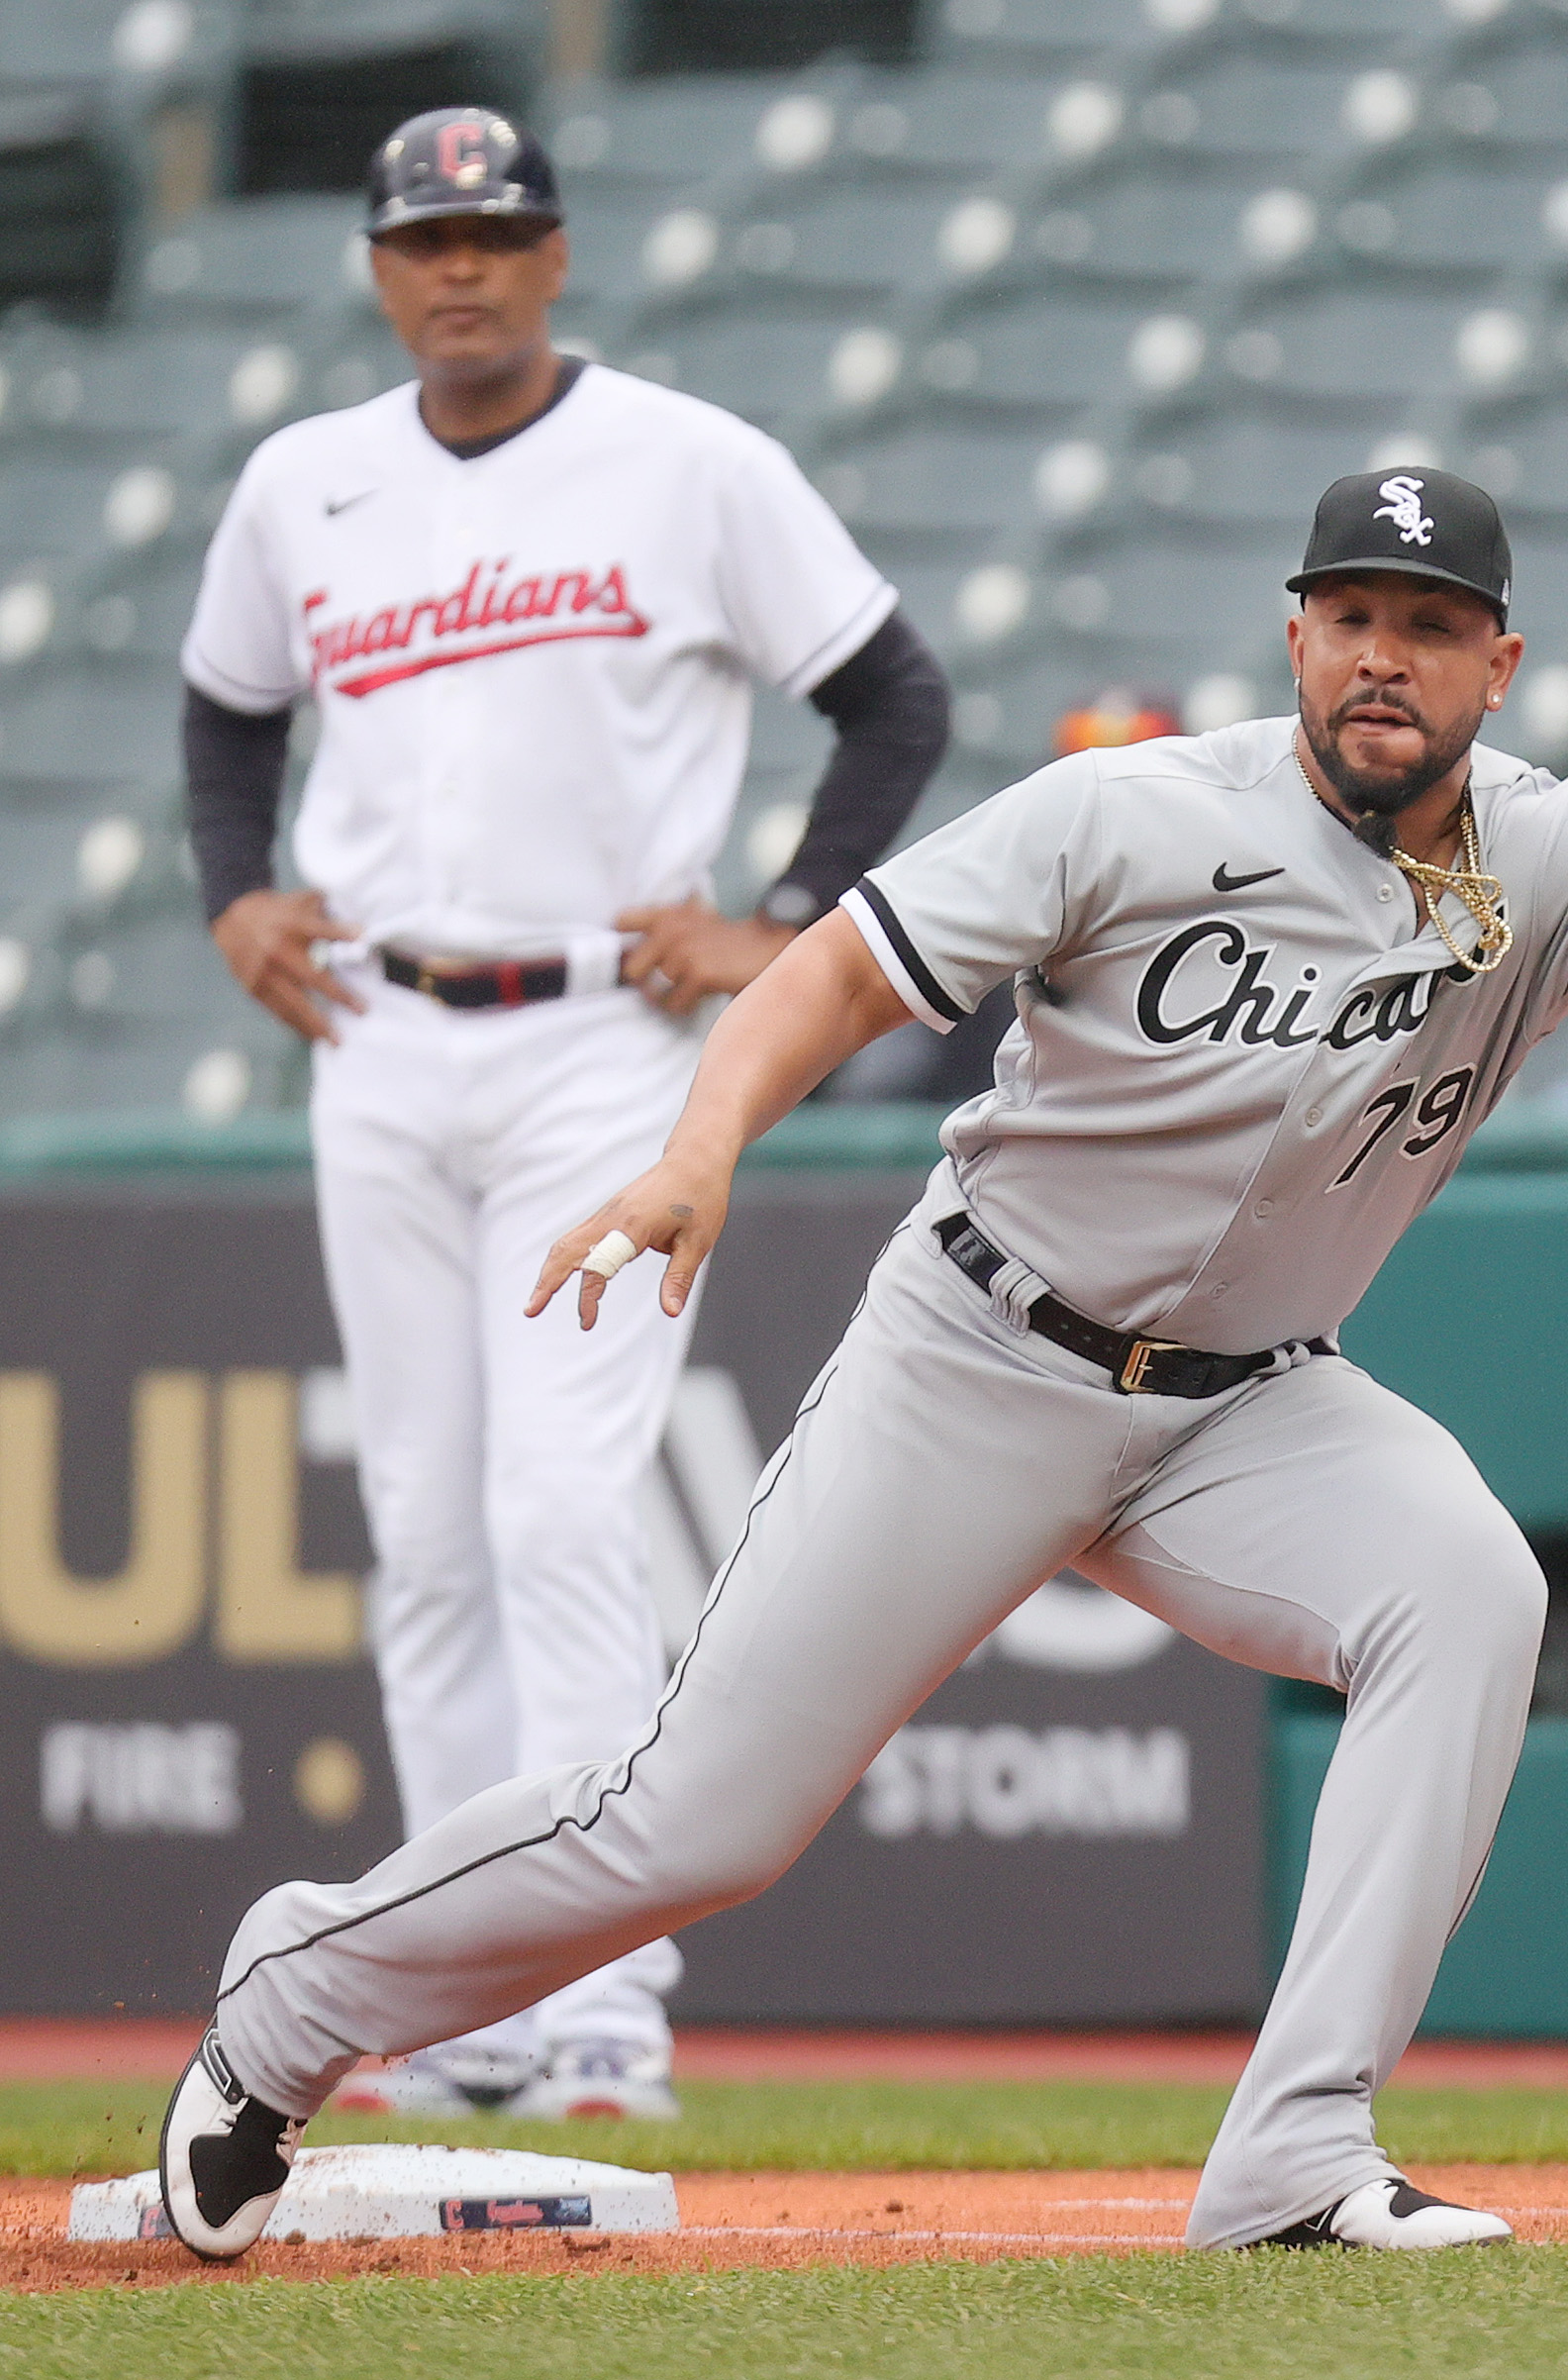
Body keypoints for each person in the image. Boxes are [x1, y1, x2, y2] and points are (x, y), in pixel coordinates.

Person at [155, 466, 1568, 2262]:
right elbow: (826, 970)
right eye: (1351, 614)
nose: (1386, 652)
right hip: (979, 1349)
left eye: (1431, 622)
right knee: (698, 1819)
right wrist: (699, 1143)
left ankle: (1297, 2150)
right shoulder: (1127, 813)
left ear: (1499, 666)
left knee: (1467, 1588)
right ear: (1293, 639)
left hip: (1241, 1399)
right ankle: (291, 1994)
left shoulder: (1547, 851)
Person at [177, 110, 949, 2123]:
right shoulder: (303, 481)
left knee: (555, 1510)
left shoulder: (688, 462)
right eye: (427, 235)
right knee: (424, 1531)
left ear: (555, 252)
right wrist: (229, 889)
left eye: (498, 232)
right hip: (378, 1035)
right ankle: (462, 1991)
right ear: (377, 265)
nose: (462, 267)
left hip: (600, 1039)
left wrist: (782, 926)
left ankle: (602, 1991)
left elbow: (893, 695)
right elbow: (222, 706)